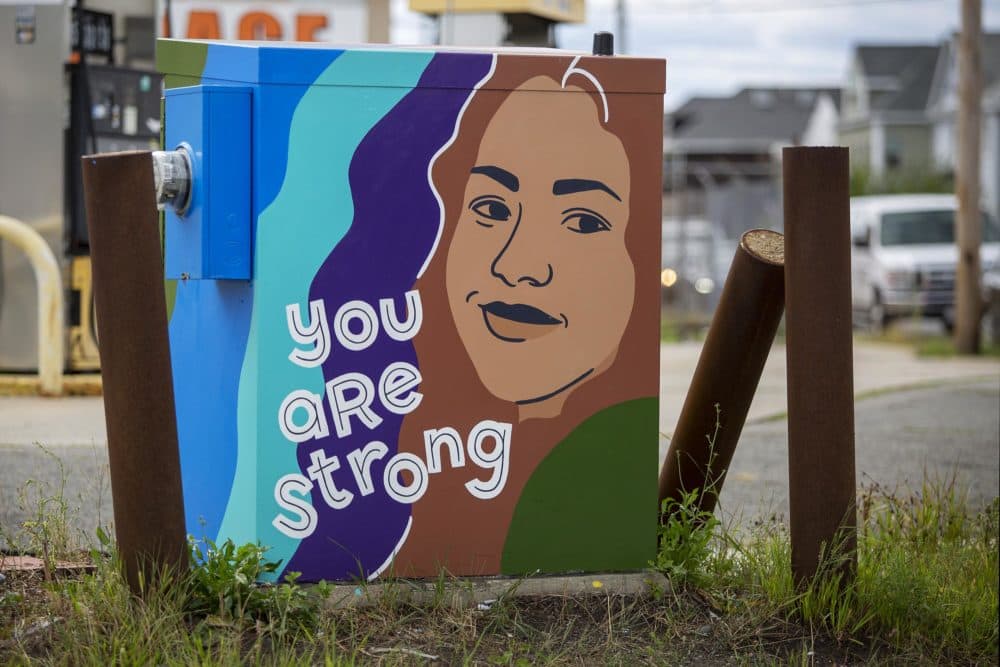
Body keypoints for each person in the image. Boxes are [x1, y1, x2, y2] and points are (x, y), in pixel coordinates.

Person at [393, 54, 662, 576]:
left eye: (583, 221)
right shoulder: (398, 406)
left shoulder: (602, 455)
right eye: (491, 209)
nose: (519, 266)